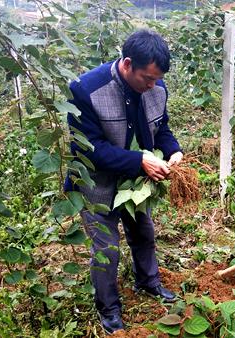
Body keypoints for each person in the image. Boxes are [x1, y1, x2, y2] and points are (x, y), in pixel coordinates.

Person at [64, 30, 183, 334]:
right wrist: (138, 160)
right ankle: (109, 309)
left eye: (157, 79)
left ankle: (148, 282)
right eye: (147, 78)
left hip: (136, 182)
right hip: (95, 182)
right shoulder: (85, 89)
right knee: (107, 247)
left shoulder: (156, 88)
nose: (152, 85)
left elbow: (162, 128)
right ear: (128, 64)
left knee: (144, 232)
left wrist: (173, 150)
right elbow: (88, 149)